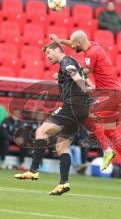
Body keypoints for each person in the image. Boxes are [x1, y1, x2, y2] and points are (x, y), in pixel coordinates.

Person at [50, 30, 121, 182]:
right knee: (110, 131)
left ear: (79, 44)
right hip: (115, 93)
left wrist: (63, 73)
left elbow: (84, 73)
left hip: (110, 94)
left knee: (89, 115)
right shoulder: (93, 46)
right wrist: (59, 40)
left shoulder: (91, 53)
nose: (73, 47)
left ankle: (107, 151)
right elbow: (74, 42)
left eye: (74, 45)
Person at [14, 42, 92, 195]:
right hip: (82, 109)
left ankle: (33, 170)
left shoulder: (66, 62)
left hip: (72, 106)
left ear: (58, 50)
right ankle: (63, 183)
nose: (48, 56)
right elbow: (84, 76)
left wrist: (83, 87)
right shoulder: (73, 62)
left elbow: (74, 74)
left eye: (49, 52)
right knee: (61, 147)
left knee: (41, 132)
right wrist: (87, 86)